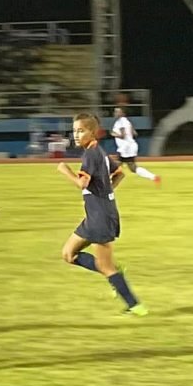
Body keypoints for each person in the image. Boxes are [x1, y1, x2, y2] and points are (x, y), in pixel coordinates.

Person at [56, 112, 145, 315]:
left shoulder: (90, 155)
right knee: (68, 254)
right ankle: (116, 274)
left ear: (92, 132)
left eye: (81, 131)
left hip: (100, 218)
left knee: (107, 267)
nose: (76, 135)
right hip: (96, 215)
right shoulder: (100, 152)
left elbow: (82, 183)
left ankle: (135, 305)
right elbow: (119, 174)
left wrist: (64, 170)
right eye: (75, 131)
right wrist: (106, 191)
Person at [110, 107, 160, 185]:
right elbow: (134, 133)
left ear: (123, 113)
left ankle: (106, 184)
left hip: (125, 147)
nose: (115, 113)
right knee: (133, 168)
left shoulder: (120, 122)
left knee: (115, 165)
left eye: (117, 112)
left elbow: (123, 135)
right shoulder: (127, 121)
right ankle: (154, 177)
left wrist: (113, 134)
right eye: (115, 111)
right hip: (130, 146)